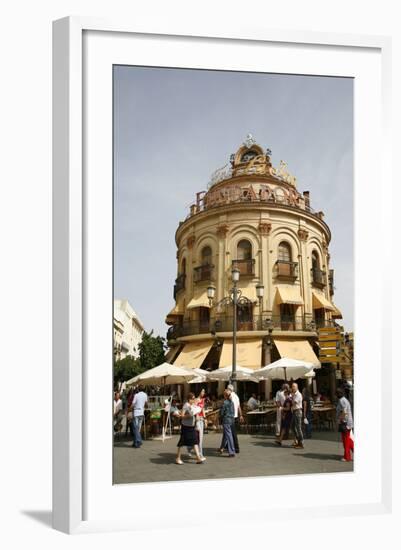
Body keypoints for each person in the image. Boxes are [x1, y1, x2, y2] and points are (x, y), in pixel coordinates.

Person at [175, 393, 206, 465]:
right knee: (181, 442)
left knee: (195, 441)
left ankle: (198, 458)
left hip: (191, 427)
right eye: (193, 398)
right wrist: (190, 415)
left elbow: (195, 414)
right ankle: (178, 458)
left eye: (194, 398)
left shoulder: (192, 406)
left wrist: (197, 417)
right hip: (186, 427)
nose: (194, 399)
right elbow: (182, 416)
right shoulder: (186, 405)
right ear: (189, 399)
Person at [336, 388, 354, 462]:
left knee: (345, 440)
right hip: (348, 422)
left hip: (345, 423)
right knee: (349, 439)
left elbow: (344, 412)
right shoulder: (344, 399)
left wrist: (339, 420)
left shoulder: (342, 400)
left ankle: (347, 457)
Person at [218, 389, 236, 457]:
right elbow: (234, 411)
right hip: (231, 419)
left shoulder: (225, 402)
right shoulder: (232, 402)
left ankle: (232, 451)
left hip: (226, 420)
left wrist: (221, 415)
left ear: (225, 395)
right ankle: (222, 447)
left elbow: (222, 413)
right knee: (226, 434)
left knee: (229, 435)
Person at [227, 383, 244, 453]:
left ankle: (236, 447)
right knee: (229, 432)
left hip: (231, 416)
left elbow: (231, 407)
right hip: (235, 416)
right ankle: (226, 446)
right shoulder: (236, 396)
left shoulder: (230, 396)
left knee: (232, 433)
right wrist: (241, 415)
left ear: (229, 390)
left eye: (227, 389)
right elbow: (239, 406)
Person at [291, 382, 304, 449]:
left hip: (298, 412)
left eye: (294, 386)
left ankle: (301, 443)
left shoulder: (298, 394)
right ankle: (298, 440)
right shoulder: (294, 394)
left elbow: (293, 403)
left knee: (298, 428)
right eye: (292, 386)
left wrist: (291, 397)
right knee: (292, 427)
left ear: (297, 387)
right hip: (294, 412)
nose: (292, 388)